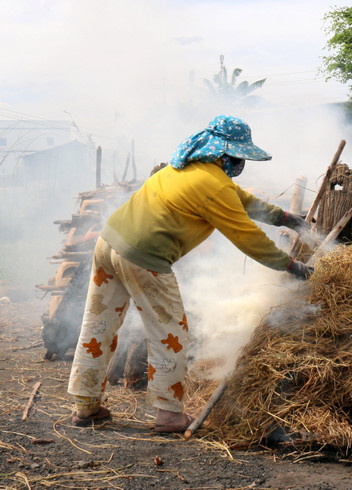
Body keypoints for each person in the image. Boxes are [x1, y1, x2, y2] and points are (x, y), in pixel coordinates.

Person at [67, 115, 313, 432]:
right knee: (170, 334)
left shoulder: (184, 168)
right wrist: (291, 266)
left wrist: (287, 219)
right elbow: (248, 237)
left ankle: (86, 407)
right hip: (145, 258)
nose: (240, 163)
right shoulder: (213, 185)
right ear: (224, 153)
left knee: (98, 324)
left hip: (108, 243)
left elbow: (245, 202)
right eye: (238, 156)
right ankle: (170, 415)